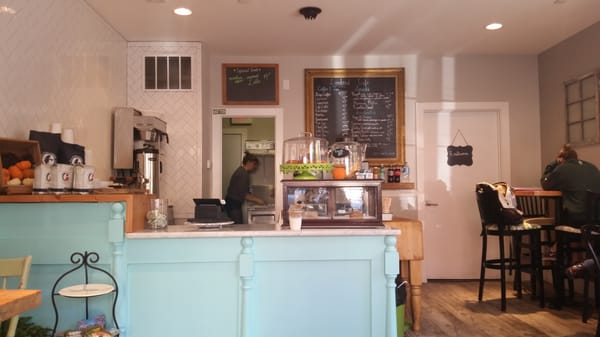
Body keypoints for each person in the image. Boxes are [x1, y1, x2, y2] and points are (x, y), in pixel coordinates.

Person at [541, 144, 600, 226]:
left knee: (562, 216)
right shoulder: (593, 168)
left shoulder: (563, 169)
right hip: (596, 218)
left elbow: (545, 184)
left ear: (562, 160)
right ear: (576, 157)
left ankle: (561, 238)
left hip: (578, 219)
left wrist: (553, 163)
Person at [224, 152, 265, 224]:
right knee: (238, 228)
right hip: (233, 205)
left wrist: (255, 198)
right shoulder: (243, 174)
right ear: (249, 162)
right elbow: (244, 194)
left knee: (236, 227)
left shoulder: (241, 171)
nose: (255, 167)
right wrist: (259, 200)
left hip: (232, 204)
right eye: (254, 164)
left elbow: (245, 191)